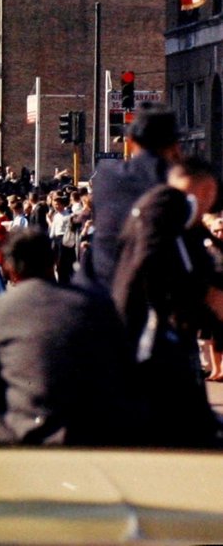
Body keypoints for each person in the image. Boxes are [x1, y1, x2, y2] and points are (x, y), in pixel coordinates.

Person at [0, 229, 139, 446]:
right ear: (54, 259)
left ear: (8, 266)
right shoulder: (94, 305)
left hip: (15, 433)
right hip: (85, 434)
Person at [111, 154, 223, 448]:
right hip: (157, 339)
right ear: (207, 190)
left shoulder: (158, 209)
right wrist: (203, 295)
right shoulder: (168, 208)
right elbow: (154, 265)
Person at [85, 103, 180, 292]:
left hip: (100, 287)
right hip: (152, 290)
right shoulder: (173, 180)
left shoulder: (106, 175)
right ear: (175, 145)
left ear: (130, 141)